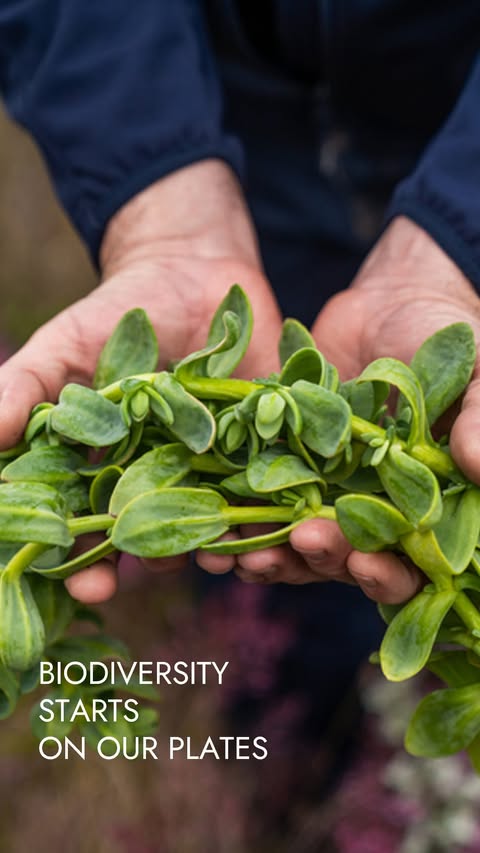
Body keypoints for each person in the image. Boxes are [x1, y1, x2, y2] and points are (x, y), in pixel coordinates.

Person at [0, 1, 479, 753]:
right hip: (218, 97)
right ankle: (284, 765)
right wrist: (157, 195)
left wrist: (461, 228)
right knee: (262, 564)